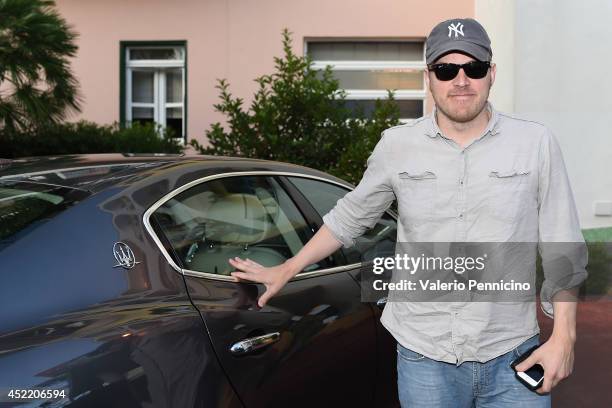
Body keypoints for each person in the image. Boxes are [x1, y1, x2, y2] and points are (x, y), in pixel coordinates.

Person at [229, 18, 587, 407]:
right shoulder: (397, 146)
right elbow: (351, 216)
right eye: (447, 69)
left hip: (513, 353)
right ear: (429, 77)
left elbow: (561, 243)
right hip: (424, 356)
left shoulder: (535, 143)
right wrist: (288, 267)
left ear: (492, 74)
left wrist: (564, 336)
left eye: (475, 68)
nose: (461, 80)